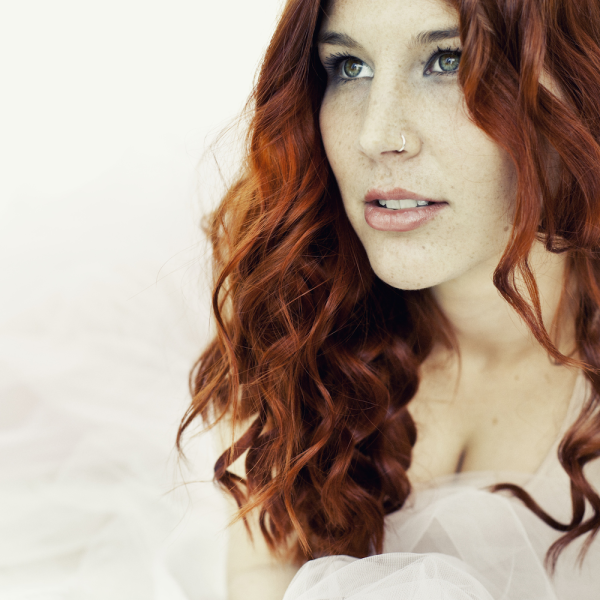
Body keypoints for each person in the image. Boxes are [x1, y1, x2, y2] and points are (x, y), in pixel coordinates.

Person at [178, 0, 600, 598]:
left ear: (580, 84)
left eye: (449, 61)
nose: (376, 136)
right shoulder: (294, 317)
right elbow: (262, 576)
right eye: (349, 67)